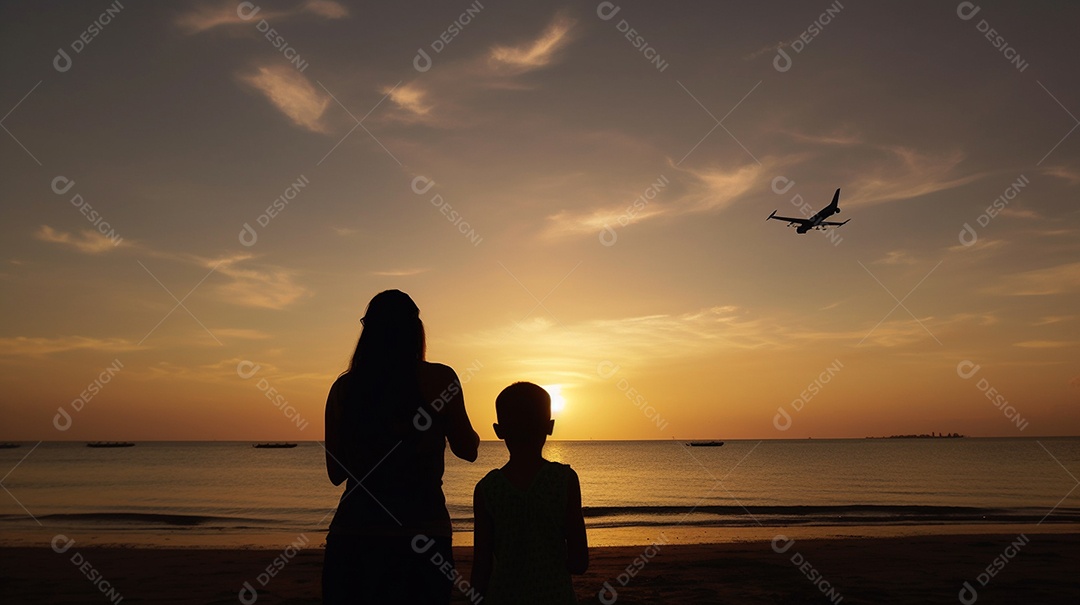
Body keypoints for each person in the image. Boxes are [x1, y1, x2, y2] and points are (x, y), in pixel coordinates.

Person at [322, 290, 480, 604]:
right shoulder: (440, 378)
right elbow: (467, 450)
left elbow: (336, 473)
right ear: (415, 330)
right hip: (423, 534)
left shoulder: (344, 388)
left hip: (355, 534)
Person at [471, 382, 589, 604]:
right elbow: (579, 562)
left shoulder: (487, 489)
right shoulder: (564, 480)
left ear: (498, 431)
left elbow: (481, 568)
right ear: (549, 426)